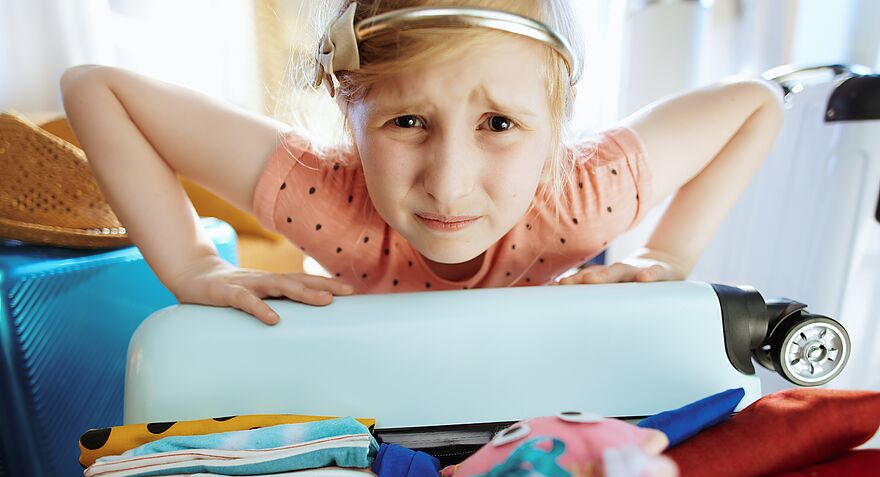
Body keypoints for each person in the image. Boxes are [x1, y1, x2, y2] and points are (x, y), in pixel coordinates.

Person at [60, 0, 783, 326]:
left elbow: (757, 103)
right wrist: (195, 267)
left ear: (556, 129)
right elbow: (93, 87)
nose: (449, 180)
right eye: (409, 121)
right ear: (348, 109)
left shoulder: (580, 197)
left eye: (499, 124)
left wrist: (667, 255)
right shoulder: (327, 196)